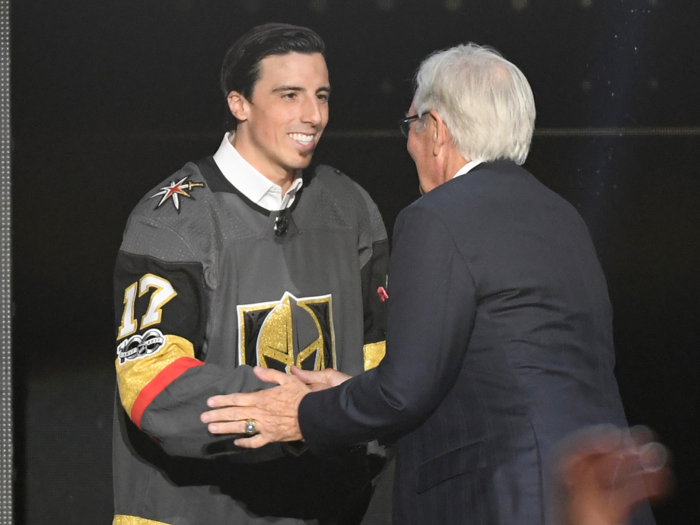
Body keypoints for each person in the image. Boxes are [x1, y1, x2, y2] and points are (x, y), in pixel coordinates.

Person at [201, 44, 660, 525]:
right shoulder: (563, 217)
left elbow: (405, 394)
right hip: (598, 500)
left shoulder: (436, 218)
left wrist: (303, 413)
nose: (408, 144)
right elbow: (504, 371)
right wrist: (357, 390)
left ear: (436, 130)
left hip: (502, 500)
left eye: (411, 126)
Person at [112, 23, 389, 525]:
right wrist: (298, 411)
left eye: (321, 96)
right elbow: (150, 381)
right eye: (290, 95)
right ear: (239, 104)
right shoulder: (170, 220)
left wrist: (332, 422)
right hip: (197, 511)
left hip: (325, 508)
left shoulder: (351, 208)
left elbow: (382, 359)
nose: (314, 116)